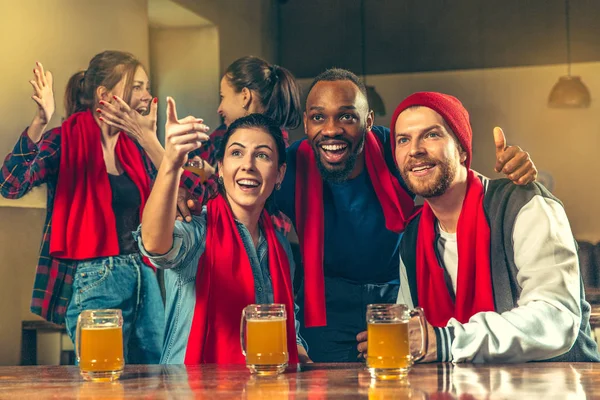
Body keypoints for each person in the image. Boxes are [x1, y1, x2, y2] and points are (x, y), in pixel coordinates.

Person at [186, 68, 538, 362]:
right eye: (318, 117)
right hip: (323, 308)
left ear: (368, 121)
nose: (332, 129)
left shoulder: (395, 148)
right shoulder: (290, 166)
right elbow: (246, 191)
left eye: (347, 116)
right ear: (306, 124)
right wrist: (188, 196)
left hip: (397, 302)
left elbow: (443, 174)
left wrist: (509, 173)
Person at [357, 92, 599, 363]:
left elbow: (556, 318)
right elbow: (417, 336)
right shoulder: (411, 238)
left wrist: (446, 341)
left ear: (462, 150)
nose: (415, 149)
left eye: (432, 135)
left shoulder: (525, 205)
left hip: (559, 386)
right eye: (403, 139)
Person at [0, 51, 164, 363]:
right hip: (95, 276)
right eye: (138, 86)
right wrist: (40, 120)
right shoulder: (63, 140)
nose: (147, 95)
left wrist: (149, 141)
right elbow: (10, 184)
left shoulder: (137, 148)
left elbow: (183, 195)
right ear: (106, 94)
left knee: (156, 379)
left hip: (144, 274)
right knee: (101, 378)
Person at [136, 104, 309, 364]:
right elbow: (154, 244)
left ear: (279, 173)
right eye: (237, 153)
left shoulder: (281, 248)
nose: (248, 165)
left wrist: (305, 360)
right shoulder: (197, 229)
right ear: (219, 168)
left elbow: (286, 325)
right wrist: (171, 164)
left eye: (262, 155)